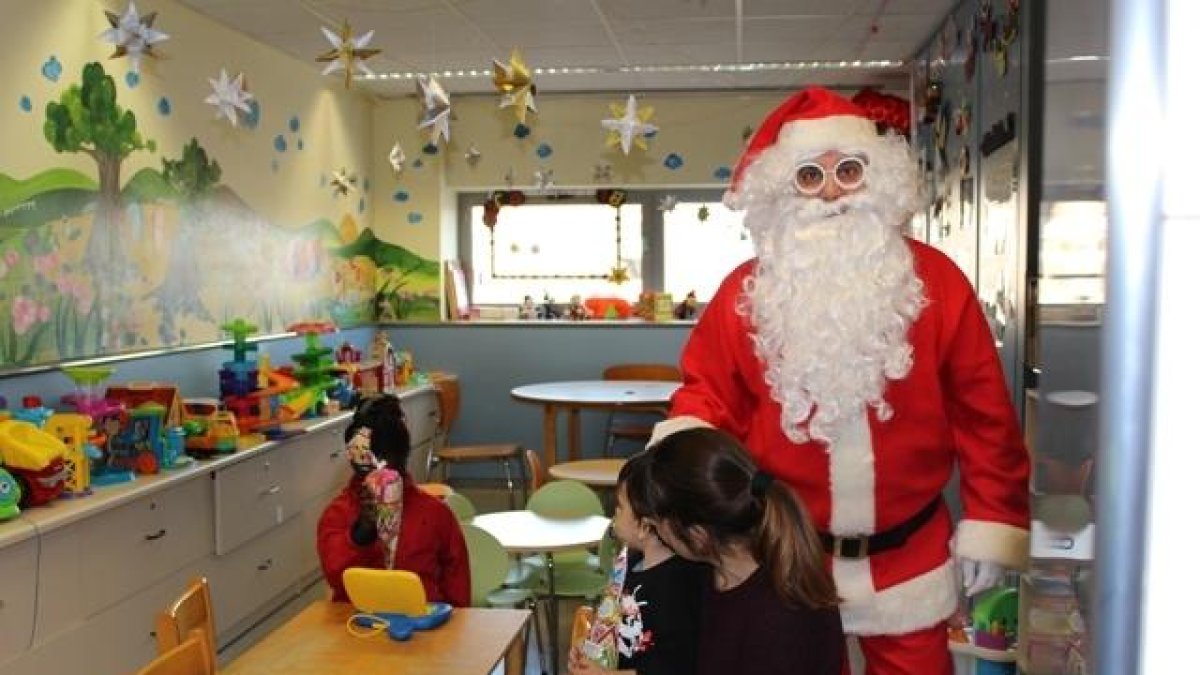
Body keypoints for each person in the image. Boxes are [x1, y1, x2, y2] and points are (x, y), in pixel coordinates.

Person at [652, 86, 1030, 674]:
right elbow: (706, 398)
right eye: (809, 177)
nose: (830, 192)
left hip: (909, 562)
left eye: (848, 171)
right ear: (782, 194)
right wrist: (676, 474)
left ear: (879, 181)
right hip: (782, 559)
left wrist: (995, 519)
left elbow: (985, 417)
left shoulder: (937, 284)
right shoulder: (744, 296)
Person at [621, 427, 844, 675]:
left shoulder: (781, 619)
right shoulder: (709, 572)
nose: (657, 534)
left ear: (698, 536)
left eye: (656, 524)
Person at [317, 393, 470, 606]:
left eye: (388, 472)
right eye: (368, 472)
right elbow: (336, 579)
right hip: (357, 629)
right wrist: (359, 535)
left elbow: (458, 594)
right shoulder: (339, 515)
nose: (380, 483)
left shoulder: (435, 514)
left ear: (402, 461)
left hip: (424, 630)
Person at [568, 452, 708, 675]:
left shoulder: (678, 585)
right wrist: (589, 651)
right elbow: (613, 622)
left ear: (644, 526)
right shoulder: (629, 561)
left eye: (620, 506)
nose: (614, 512)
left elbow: (674, 665)